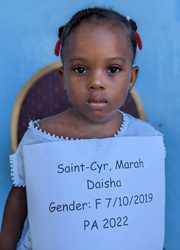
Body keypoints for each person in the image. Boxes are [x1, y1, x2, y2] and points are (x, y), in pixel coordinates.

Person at [0, 7, 161, 250]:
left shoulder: (145, 139)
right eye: (80, 69)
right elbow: (18, 199)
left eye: (113, 69)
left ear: (131, 78)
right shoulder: (40, 138)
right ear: (63, 77)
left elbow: (145, 208)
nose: (96, 82)